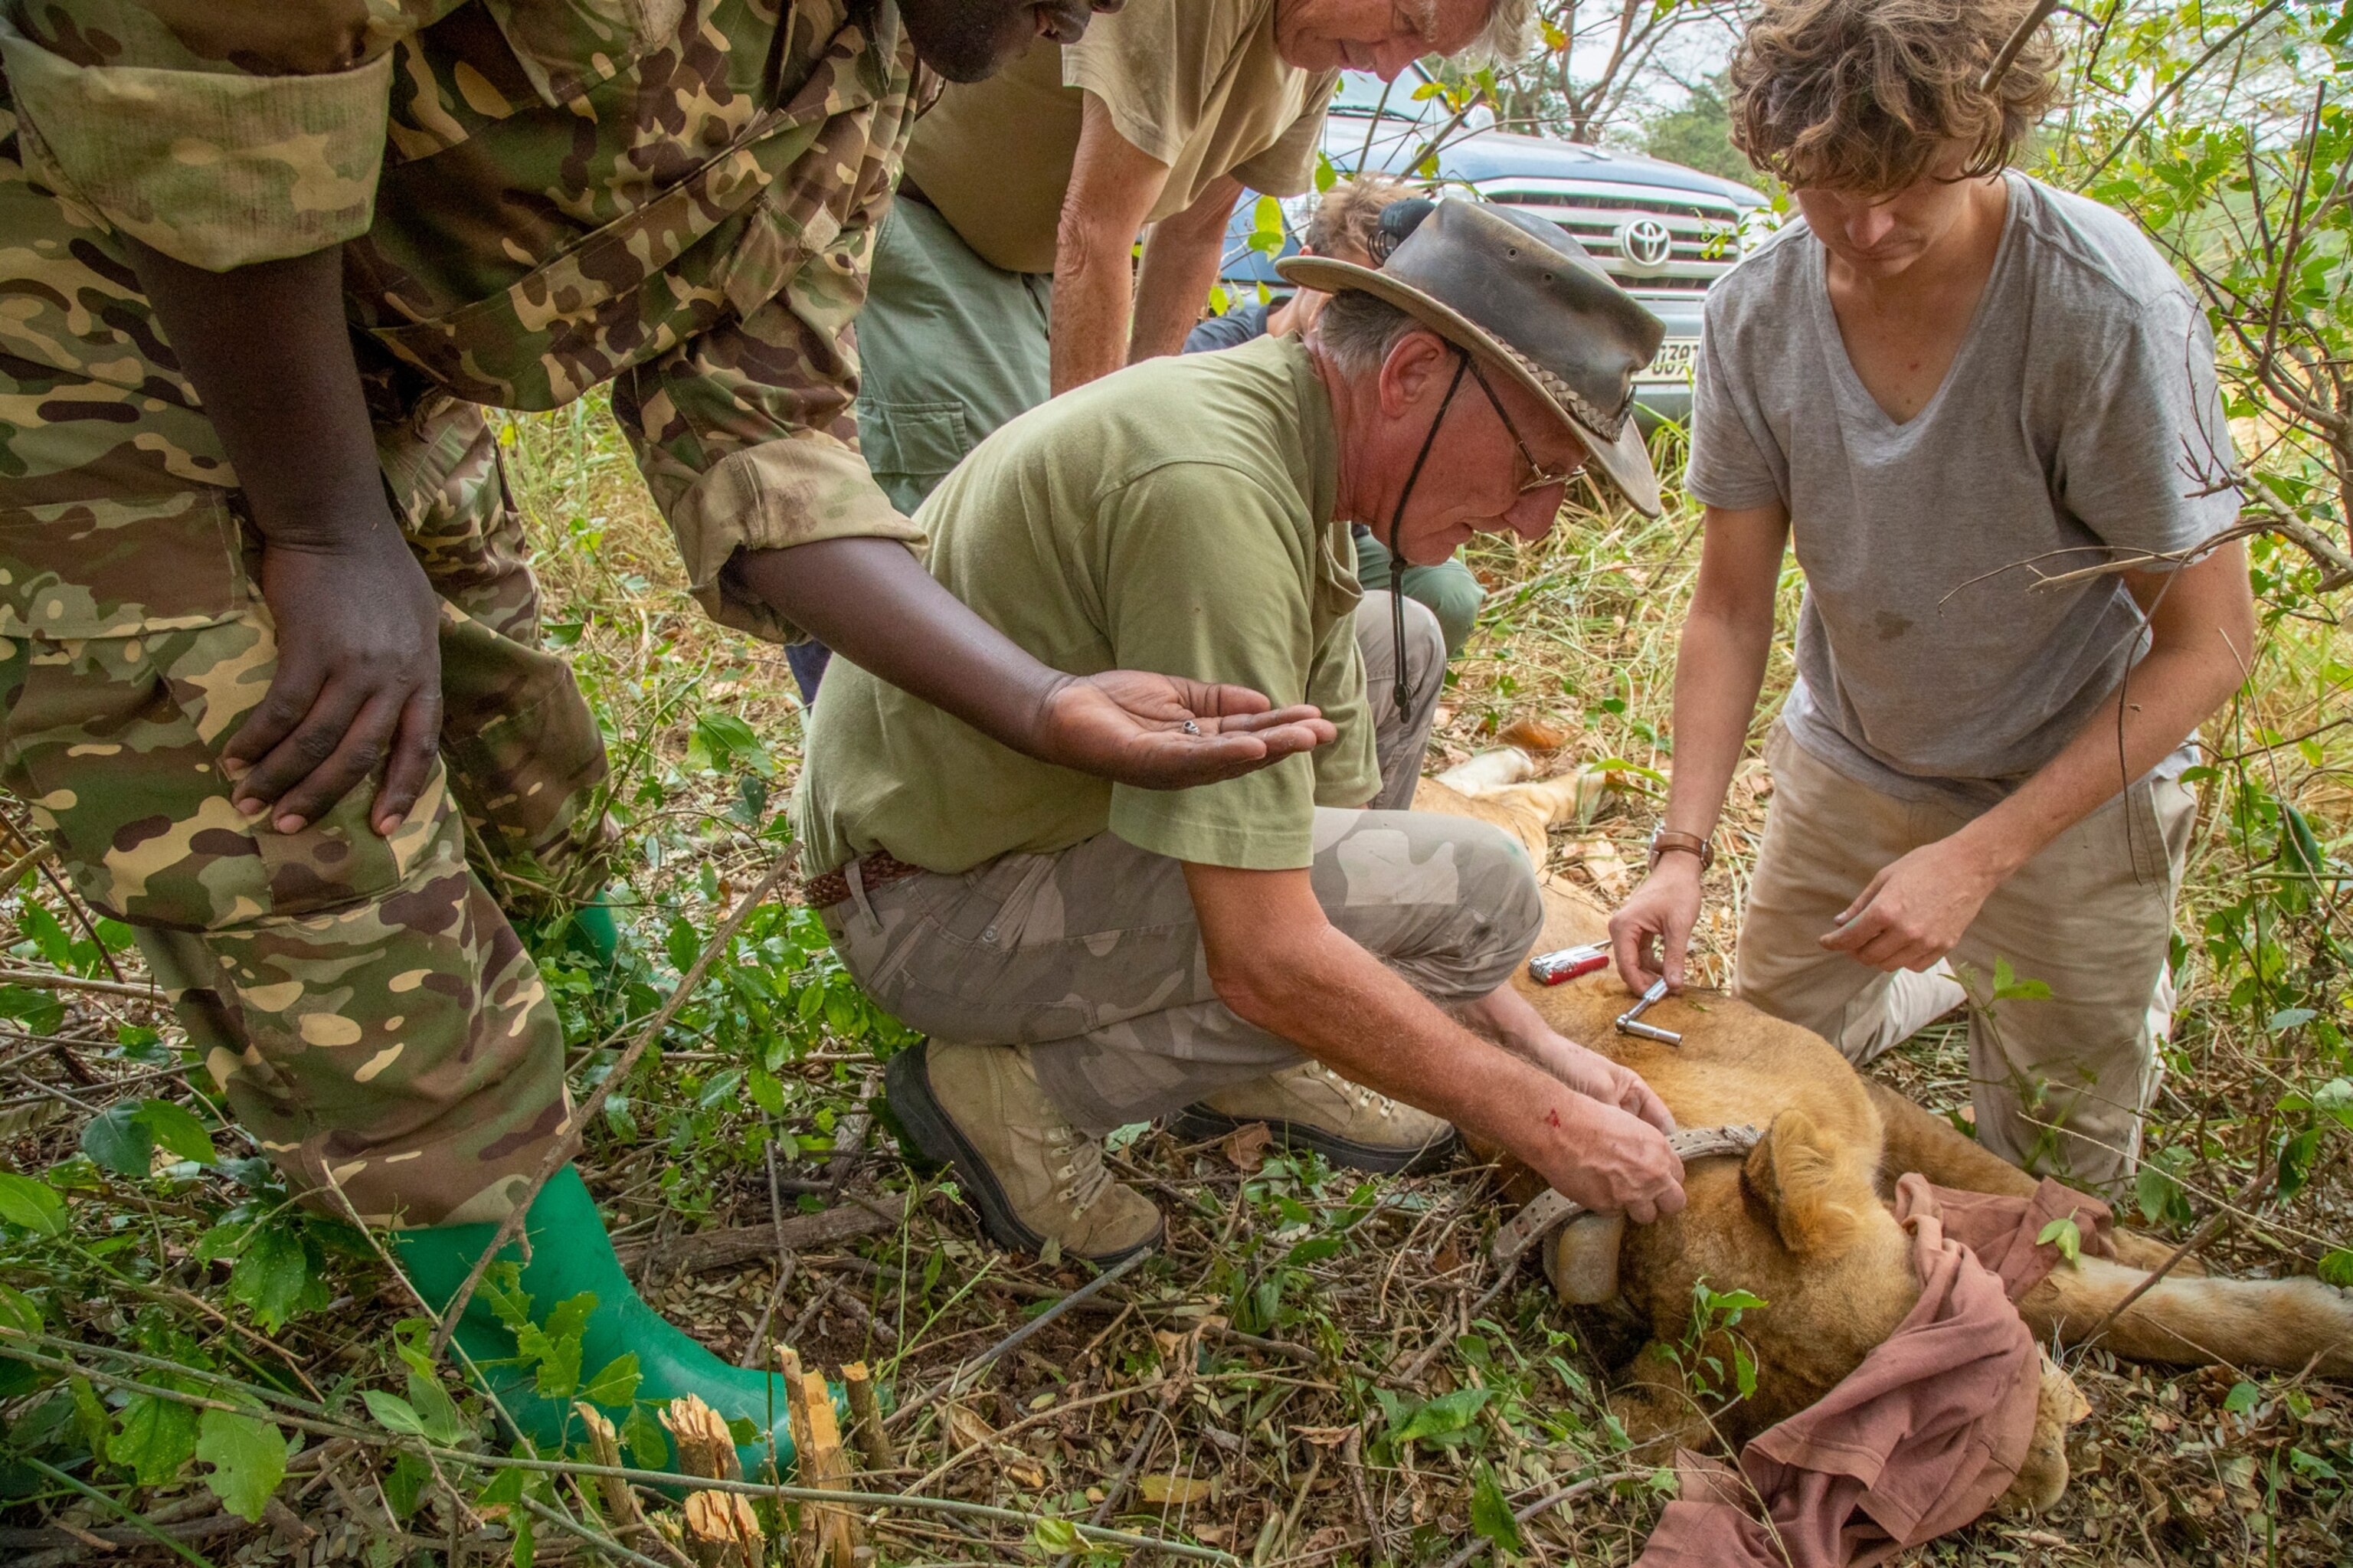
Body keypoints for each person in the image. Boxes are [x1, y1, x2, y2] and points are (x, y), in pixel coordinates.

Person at [0, 0, 1331, 1475]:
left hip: (367, 365)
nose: (1093, 17)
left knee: (513, 730)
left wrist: (1038, 698)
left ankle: (558, 996)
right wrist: (318, 523)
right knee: (316, 781)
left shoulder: (878, 63)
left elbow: (762, 437)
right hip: (84, 283)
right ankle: (560, 1354)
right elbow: (194, 50)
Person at [795, 201, 1685, 1263]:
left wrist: (1540, 1048)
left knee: (1396, 640)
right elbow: (1272, 951)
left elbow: (1348, 834)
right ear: (1405, 377)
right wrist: (1545, 1122)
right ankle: (1013, 1092)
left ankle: (1245, 1063)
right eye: (1537, 470)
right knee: (1489, 895)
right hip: (929, 909)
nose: (1535, 521)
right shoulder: (1213, 493)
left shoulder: (1292, 447)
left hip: (989, 839)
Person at [1605, 0, 2256, 1190]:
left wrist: (1982, 855)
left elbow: (2212, 644)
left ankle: (2072, 981)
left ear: (1989, 140)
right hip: (1853, 753)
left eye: (1911, 185)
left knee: (2052, 1185)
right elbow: (1730, 606)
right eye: (1829, 188)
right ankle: (1942, 973)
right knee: (1771, 1067)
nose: (1867, 225)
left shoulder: (2101, 309)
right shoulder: (1759, 310)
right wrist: (1681, 848)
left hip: (2066, 778)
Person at [791, 0, 1530, 698]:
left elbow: (1195, 231)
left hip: (1042, 265)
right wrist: (1102, 485)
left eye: (1421, 50)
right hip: (925, 219)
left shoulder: (1313, 49)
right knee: (996, 526)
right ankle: (872, 803)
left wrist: (1157, 428)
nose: (1391, 65)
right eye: (1403, 23)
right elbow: (1098, 229)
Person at [1186, 180, 1488, 656]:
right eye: (1347, 294)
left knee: (1447, 595)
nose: (1362, 321)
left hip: (1348, 533)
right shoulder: (1217, 349)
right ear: (1306, 268)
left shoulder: (1387, 368)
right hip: (1243, 535)